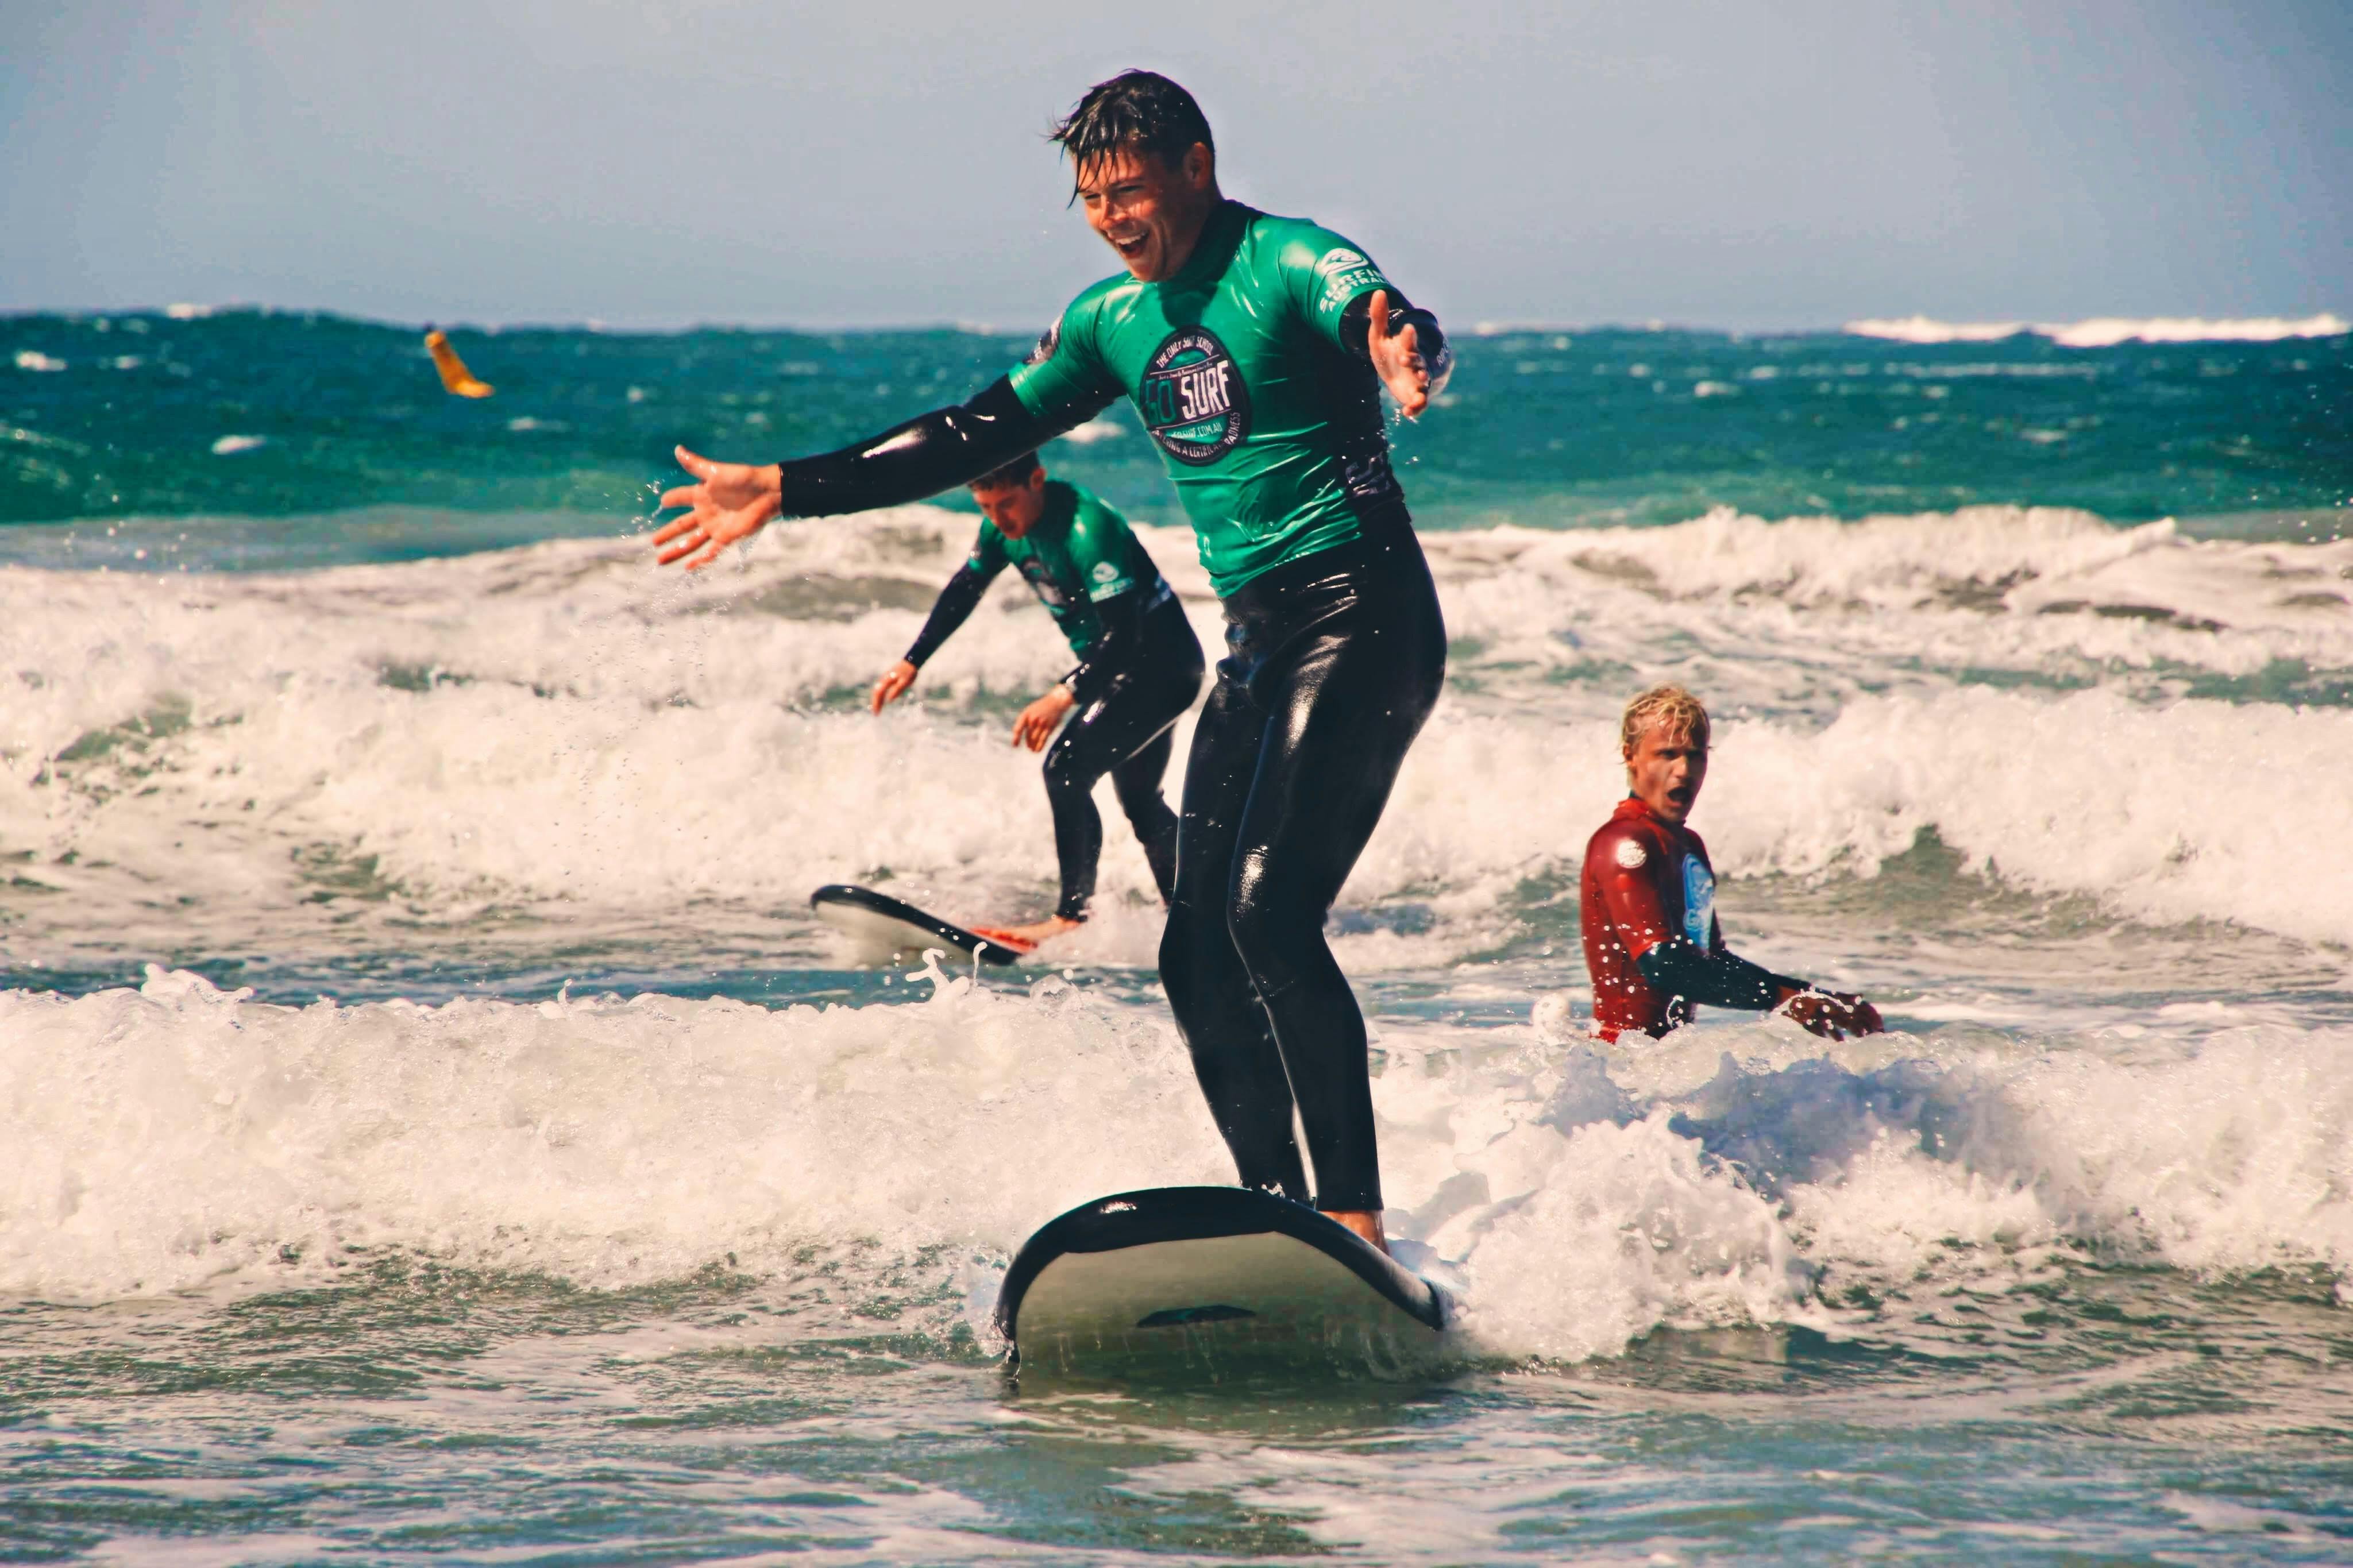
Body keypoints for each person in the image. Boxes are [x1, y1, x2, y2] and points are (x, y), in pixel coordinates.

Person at [649, 71, 1450, 1253]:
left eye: (1130, 189)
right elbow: (974, 434)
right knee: (1192, 945)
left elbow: (1373, 309)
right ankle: (1283, 1222)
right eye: (1090, 198)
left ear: (1195, 164)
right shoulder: (1106, 324)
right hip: (1253, 639)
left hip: (1361, 612)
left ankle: (1353, 1223)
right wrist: (786, 487)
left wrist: (1397, 343)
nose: (1115, 217)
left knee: (1268, 920)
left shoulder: (1286, 260)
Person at [870, 451, 1203, 949]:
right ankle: (1196, 919)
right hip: (1117, 671)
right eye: (986, 507)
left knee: (1066, 771)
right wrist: (913, 659)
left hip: (1160, 669)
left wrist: (1062, 694)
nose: (1000, 519)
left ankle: (1073, 916)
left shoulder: (1088, 531)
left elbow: (1125, 638)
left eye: (1007, 503)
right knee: (1140, 803)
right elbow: (968, 586)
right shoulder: (1001, 528)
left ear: (1037, 480)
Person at [1581, 685, 1885, 1044]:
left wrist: (1809, 995)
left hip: (1662, 1060)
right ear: (1631, 757)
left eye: (1695, 756)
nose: (1683, 771)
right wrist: (1781, 997)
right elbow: (1663, 965)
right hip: (1618, 1059)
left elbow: (1711, 960)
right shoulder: (1625, 842)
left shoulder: (1688, 847)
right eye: (1667, 754)